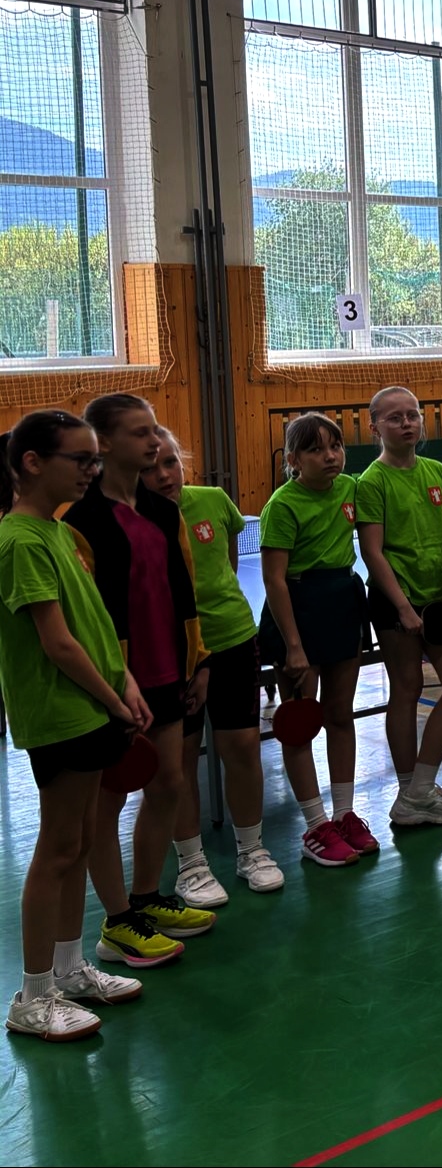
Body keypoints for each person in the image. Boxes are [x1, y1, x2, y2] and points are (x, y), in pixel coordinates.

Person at [3, 412, 163, 1041]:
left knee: (80, 840)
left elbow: (92, 624)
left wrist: (125, 682)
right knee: (57, 849)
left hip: (92, 705)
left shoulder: (59, 533)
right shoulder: (19, 541)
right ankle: (32, 995)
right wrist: (114, 700)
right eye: (80, 460)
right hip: (60, 711)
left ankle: (69, 971)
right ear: (33, 462)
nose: (91, 471)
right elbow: (58, 643)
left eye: (95, 460)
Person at [65, 395, 216, 942]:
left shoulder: (164, 511)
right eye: (140, 433)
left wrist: (199, 661)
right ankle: (118, 919)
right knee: (108, 800)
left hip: (169, 669)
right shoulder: (79, 520)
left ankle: (147, 897)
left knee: (169, 781)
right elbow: (82, 615)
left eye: (155, 431)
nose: (154, 442)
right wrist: (112, 684)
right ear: (103, 444)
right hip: (114, 681)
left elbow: (184, 591)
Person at [143, 430, 282, 899]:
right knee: (178, 761)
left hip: (232, 639)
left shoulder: (214, 501)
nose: (164, 475)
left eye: (170, 462)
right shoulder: (132, 519)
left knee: (243, 748)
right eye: (150, 468)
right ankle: (191, 864)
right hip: (171, 654)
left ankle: (252, 850)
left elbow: (226, 566)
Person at [355, 386, 442, 831]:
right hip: (397, 603)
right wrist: (404, 608)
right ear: (375, 427)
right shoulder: (371, 482)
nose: (406, 423)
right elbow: (372, 552)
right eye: (395, 418)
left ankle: (420, 790)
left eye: (412, 415)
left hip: (441, 597)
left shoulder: (437, 471)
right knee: (406, 690)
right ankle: (411, 792)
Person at [258, 412, 375, 867]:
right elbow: (274, 580)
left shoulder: (351, 489)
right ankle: (315, 825)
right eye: (315, 449)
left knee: (340, 715)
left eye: (336, 446)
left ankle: (344, 815)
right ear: (293, 459)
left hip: (342, 602)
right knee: (301, 723)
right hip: (298, 611)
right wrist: (293, 645)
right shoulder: (282, 505)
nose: (330, 456)